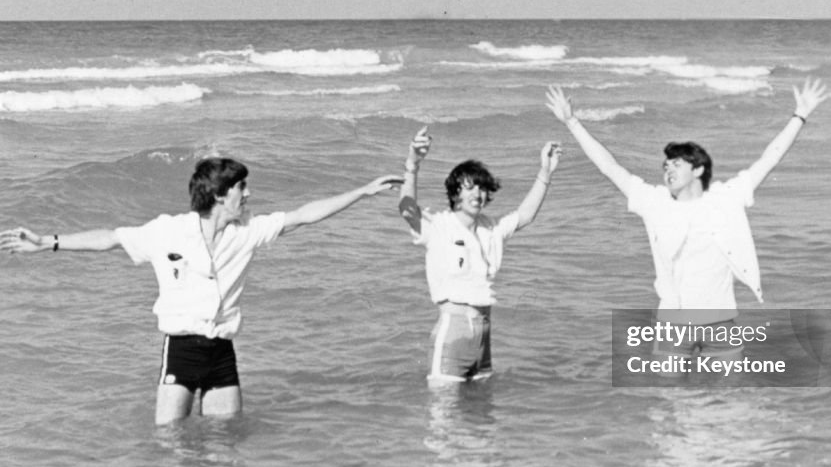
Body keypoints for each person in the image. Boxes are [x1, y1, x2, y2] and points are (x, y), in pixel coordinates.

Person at [0, 158, 403, 424]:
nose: (249, 195)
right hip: (181, 350)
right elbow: (111, 238)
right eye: (242, 188)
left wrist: (362, 192)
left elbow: (303, 216)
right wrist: (47, 242)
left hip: (222, 354)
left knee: (224, 447)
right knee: (170, 446)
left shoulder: (247, 233)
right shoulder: (167, 230)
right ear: (219, 194)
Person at [545, 80, 827, 325]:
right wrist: (572, 122)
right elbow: (610, 166)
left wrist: (799, 114)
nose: (668, 169)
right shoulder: (654, 201)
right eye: (666, 164)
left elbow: (769, 159)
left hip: (719, 322)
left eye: (676, 164)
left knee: (726, 387)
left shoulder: (726, 197)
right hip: (673, 320)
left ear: (698, 170)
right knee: (669, 388)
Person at [399, 126, 561, 383]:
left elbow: (525, 215)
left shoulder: (491, 228)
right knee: (445, 417)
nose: (478, 194)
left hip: (483, 337)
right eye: (470, 187)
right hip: (454, 332)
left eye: (482, 189)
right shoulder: (439, 225)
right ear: (455, 194)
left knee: (482, 417)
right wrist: (413, 163)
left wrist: (545, 172)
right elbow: (407, 209)